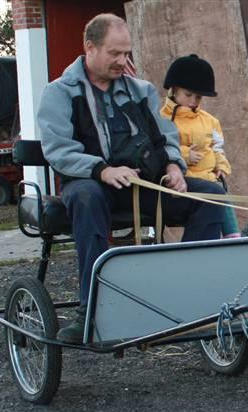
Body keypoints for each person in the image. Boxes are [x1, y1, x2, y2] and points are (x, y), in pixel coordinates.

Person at [37, 14, 225, 343]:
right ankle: (93, 308)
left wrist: (173, 167)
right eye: (115, 54)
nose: (123, 62)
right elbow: (58, 149)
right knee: (86, 197)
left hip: (142, 183)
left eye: (127, 54)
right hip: (91, 184)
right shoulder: (59, 92)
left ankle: (190, 297)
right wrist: (102, 169)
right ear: (90, 47)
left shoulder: (140, 90)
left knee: (207, 197)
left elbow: (164, 136)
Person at [160, 54, 241, 238]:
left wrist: (221, 165)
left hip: (209, 179)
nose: (193, 102)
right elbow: (162, 148)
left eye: (198, 97)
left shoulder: (210, 121)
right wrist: (185, 155)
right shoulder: (162, 119)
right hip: (184, 182)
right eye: (188, 95)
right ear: (174, 90)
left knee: (222, 199)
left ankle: (234, 238)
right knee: (214, 197)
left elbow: (217, 147)